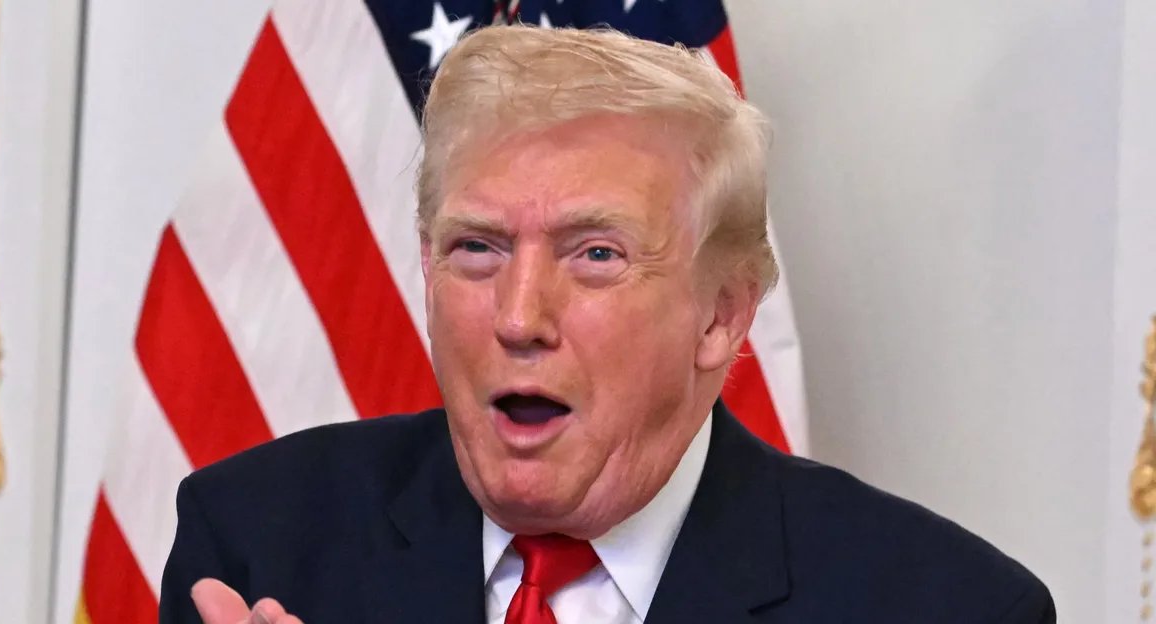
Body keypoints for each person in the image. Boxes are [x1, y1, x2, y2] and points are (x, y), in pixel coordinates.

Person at [159, 25, 1055, 624]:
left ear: (721, 315)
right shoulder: (259, 542)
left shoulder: (940, 607)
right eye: (477, 248)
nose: (519, 317)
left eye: (595, 255)